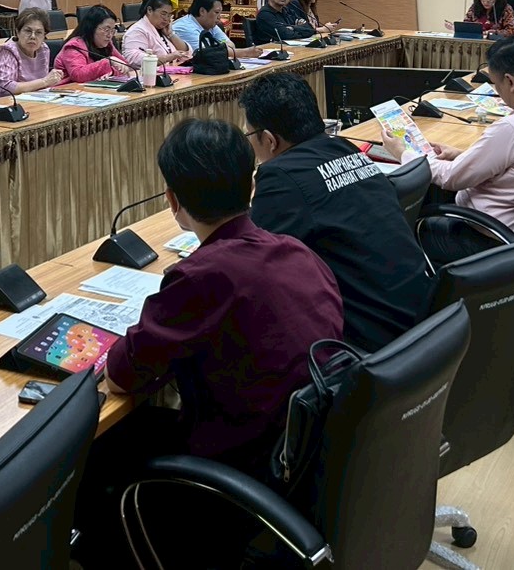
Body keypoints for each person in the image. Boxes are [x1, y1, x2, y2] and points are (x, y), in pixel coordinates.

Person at [105, 118, 344, 471]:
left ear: (172, 200)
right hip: (307, 454)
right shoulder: (297, 252)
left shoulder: (201, 277)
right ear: (251, 186)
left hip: (243, 465)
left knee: (105, 446)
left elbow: (119, 376)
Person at [241, 71, 435, 353]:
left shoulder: (281, 175)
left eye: (249, 134)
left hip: (372, 340)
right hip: (421, 315)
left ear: (269, 140)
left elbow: (252, 264)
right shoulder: (344, 147)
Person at [387, 36, 514, 265]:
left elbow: (452, 178)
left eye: (496, 84)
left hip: (489, 239)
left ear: (510, 82)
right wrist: (461, 155)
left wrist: (404, 153)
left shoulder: (513, 129)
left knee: (397, 236)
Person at [0, 8, 64, 97]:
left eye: (39, 32)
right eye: (28, 31)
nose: (33, 36)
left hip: (32, 99)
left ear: (44, 36)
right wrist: (45, 81)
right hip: (1, 102)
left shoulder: (43, 49)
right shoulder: (7, 50)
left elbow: (41, 86)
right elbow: (7, 88)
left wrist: (53, 79)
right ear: (17, 32)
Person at [55, 5, 137, 83]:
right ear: (91, 28)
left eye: (112, 30)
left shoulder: (107, 44)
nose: (110, 35)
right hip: (66, 90)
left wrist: (110, 72)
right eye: (106, 30)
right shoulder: (73, 46)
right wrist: (108, 62)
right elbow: (78, 75)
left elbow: (126, 67)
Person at [170, 0, 263, 61]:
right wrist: (244, 52)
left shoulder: (209, 24)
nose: (219, 17)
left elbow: (230, 45)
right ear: (202, 11)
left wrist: (217, 48)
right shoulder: (185, 27)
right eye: (216, 12)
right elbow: (206, 53)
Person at [120, 0, 192, 68]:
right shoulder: (137, 30)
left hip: (172, 72)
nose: (166, 19)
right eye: (163, 14)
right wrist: (168, 57)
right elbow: (133, 58)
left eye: (169, 15)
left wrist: (171, 35)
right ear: (149, 10)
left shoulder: (163, 29)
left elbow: (187, 53)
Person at [251, 0, 317, 45]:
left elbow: (310, 29)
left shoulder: (288, 11)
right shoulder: (265, 14)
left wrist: (293, 28)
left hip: (290, 47)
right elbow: (285, 35)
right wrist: (299, 29)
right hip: (270, 49)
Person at [447, 0, 514, 39]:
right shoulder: (475, 7)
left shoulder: (506, 9)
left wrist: (496, 32)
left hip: (497, 45)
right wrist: (456, 28)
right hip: (476, 43)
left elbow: (512, 32)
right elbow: (466, 25)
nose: (486, 2)